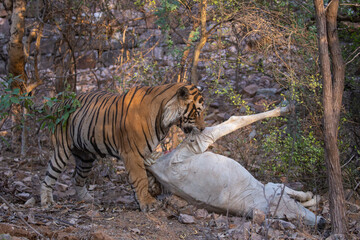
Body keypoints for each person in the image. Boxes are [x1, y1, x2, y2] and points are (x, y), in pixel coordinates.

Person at [145, 105, 325, 227]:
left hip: (232, 193)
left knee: (272, 198)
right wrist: (276, 112)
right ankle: (309, 209)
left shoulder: (164, 169)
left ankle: (307, 205)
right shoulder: (170, 163)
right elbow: (233, 123)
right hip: (236, 192)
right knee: (272, 199)